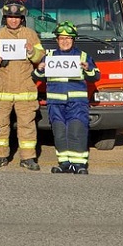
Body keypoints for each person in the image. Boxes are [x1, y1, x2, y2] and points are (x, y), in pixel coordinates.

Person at [33, 21, 100, 174]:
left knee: (77, 131)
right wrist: (39, 69)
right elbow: (36, 77)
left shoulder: (83, 57)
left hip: (77, 103)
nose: (65, 41)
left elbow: (96, 76)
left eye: (68, 38)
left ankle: (79, 164)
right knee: (60, 133)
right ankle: (64, 163)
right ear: (56, 40)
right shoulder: (49, 57)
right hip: (55, 104)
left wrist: (88, 69)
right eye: (61, 38)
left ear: (73, 40)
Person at [0, 0, 45, 170]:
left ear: (22, 18)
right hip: (2, 88)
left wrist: (31, 51)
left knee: (27, 125)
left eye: (17, 17)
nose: (13, 20)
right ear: (5, 18)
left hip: (24, 88)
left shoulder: (30, 34)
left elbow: (40, 56)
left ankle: (28, 158)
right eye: (10, 16)